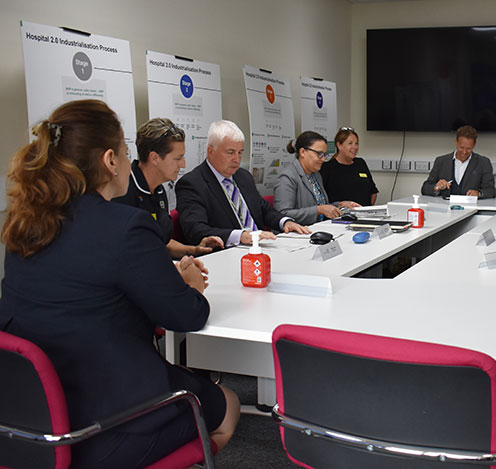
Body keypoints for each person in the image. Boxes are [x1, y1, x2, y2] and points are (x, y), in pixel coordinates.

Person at [0, 100, 240, 468]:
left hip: (31, 419)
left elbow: (84, 291)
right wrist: (190, 284)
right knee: (230, 405)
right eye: (128, 154)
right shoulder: (125, 225)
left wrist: (158, 278)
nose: (129, 163)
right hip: (110, 424)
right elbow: (187, 316)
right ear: (110, 160)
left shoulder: (24, 225)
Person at [175, 120, 310, 247]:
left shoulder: (243, 176)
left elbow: (264, 210)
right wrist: (240, 236)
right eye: (230, 152)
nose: (237, 159)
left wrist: (285, 222)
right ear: (211, 151)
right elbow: (195, 230)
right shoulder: (192, 184)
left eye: (240, 153)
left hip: (261, 248)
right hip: (227, 254)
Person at [113, 118, 224, 259]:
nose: (183, 164)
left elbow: (161, 242)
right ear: (155, 158)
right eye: (178, 159)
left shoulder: (159, 191)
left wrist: (196, 250)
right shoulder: (122, 192)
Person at [274, 131, 360, 225]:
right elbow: (282, 214)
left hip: (317, 229)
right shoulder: (287, 177)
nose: (323, 159)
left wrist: (339, 205)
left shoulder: (316, 175)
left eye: (324, 154)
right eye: (319, 154)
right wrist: (318, 210)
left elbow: (322, 207)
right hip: (296, 234)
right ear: (303, 152)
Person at [421, 125, 495, 199]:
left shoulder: (483, 163)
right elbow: (425, 189)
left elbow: (491, 191)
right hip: (445, 208)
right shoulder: (441, 161)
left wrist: (478, 194)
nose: (464, 152)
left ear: (474, 145)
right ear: (456, 142)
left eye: (469, 148)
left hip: (472, 208)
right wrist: (436, 187)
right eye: (461, 147)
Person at [320, 126, 378, 206]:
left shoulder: (360, 163)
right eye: (350, 143)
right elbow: (321, 199)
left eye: (356, 143)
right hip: (340, 216)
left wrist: (366, 210)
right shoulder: (327, 168)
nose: (354, 147)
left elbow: (373, 191)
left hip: (364, 215)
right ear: (339, 145)